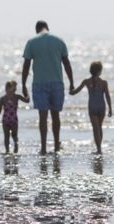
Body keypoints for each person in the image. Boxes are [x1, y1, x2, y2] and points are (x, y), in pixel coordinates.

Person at [21, 20, 75, 155]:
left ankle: (43, 148)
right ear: (47, 28)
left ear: (36, 29)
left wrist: (23, 85)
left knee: (42, 117)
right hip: (57, 82)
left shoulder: (31, 42)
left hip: (39, 83)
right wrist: (72, 82)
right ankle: (57, 145)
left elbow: (26, 65)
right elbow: (66, 63)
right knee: (56, 115)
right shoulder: (59, 41)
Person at [70, 61, 113, 155]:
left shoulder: (86, 81)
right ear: (99, 71)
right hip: (101, 107)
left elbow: (76, 91)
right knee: (99, 127)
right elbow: (107, 96)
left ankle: (99, 149)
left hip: (92, 107)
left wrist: (71, 91)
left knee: (96, 128)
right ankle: (99, 148)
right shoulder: (104, 82)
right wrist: (110, 108)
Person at [0, 80, 30, 154]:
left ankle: (16, 148)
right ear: (7, 89)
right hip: (5, 120)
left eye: (14, 89)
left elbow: (27, 101)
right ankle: (7, 151)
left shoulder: (17, 97)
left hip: (14, 120)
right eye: (12, 89)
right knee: (6, 136)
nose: (13, 91)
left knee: (14, 135)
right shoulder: (2, 99)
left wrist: (26, 92)